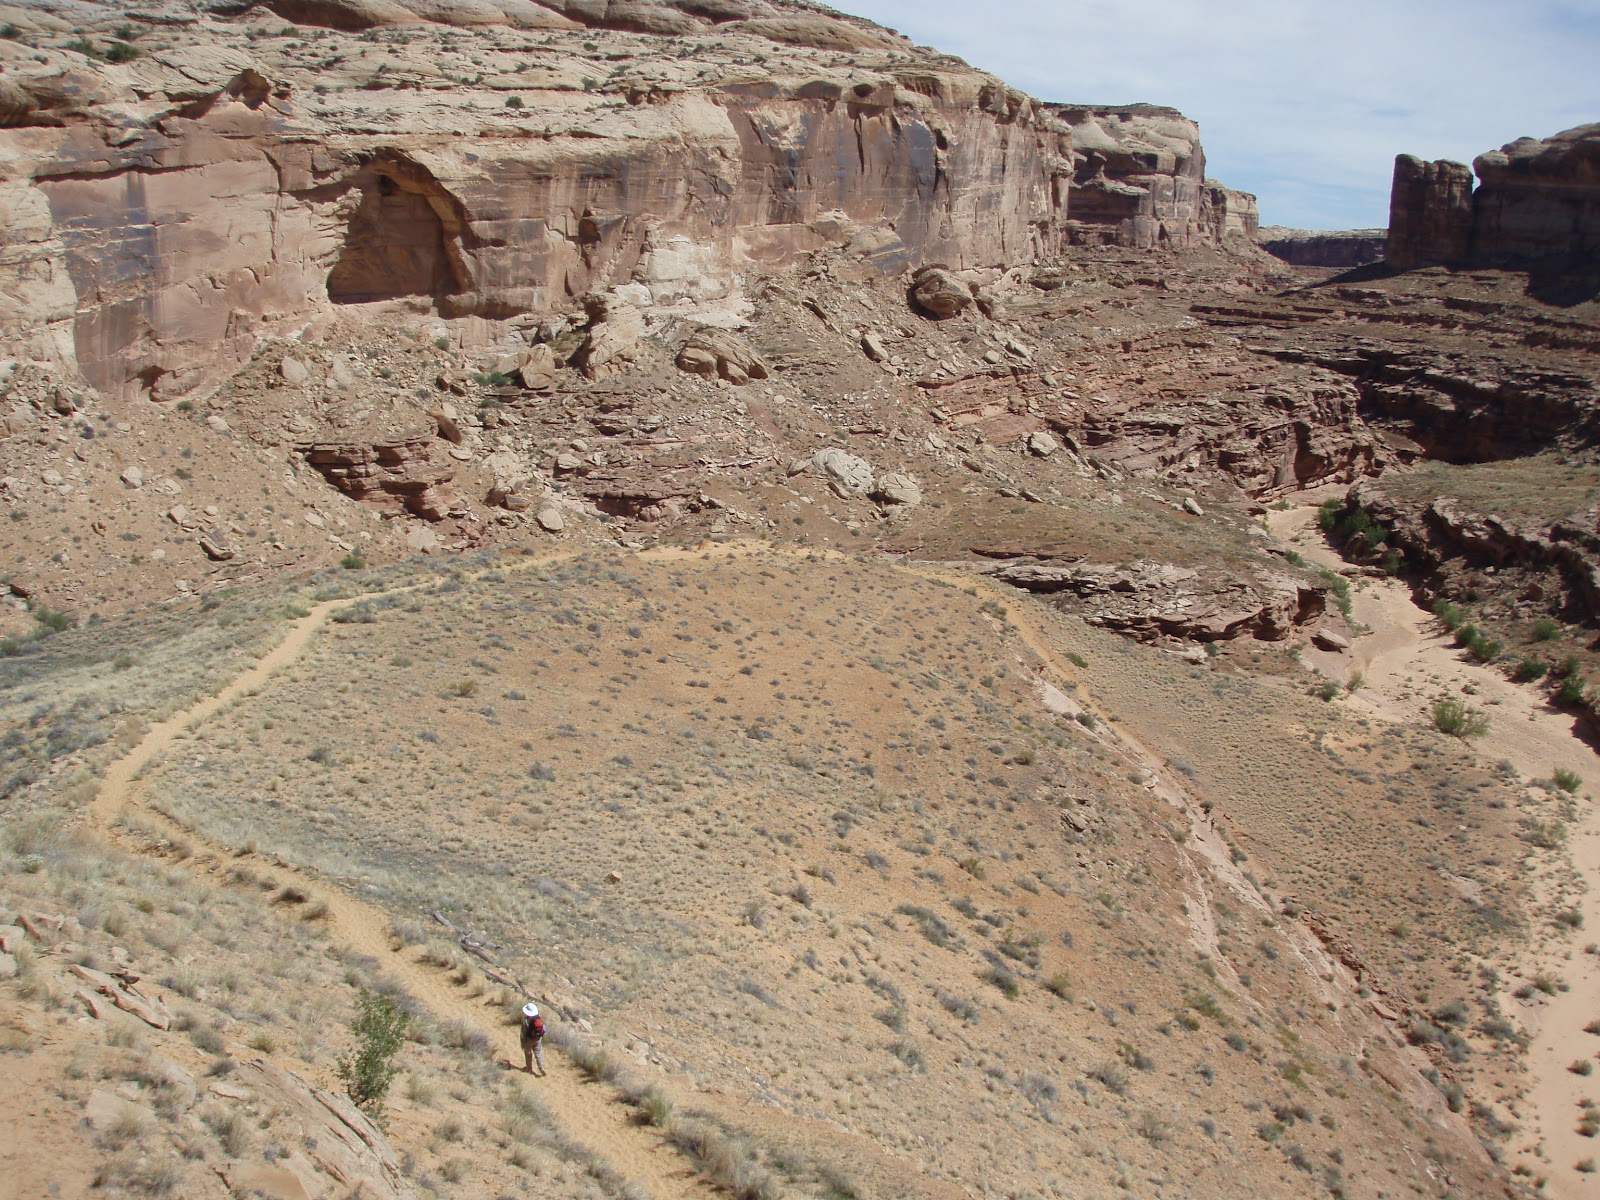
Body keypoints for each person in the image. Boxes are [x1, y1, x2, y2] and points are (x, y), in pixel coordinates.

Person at [520, 1002, 546, 1076]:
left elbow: (523, 1033)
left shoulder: (526, 1020)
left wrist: (522, 1043)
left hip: (529, 1039)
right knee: (538, 1053)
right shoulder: (539, 1017)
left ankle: (529, 1068)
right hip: (538, 1038)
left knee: (528, 1053)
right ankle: (542, 1068)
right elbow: (543, 1028)